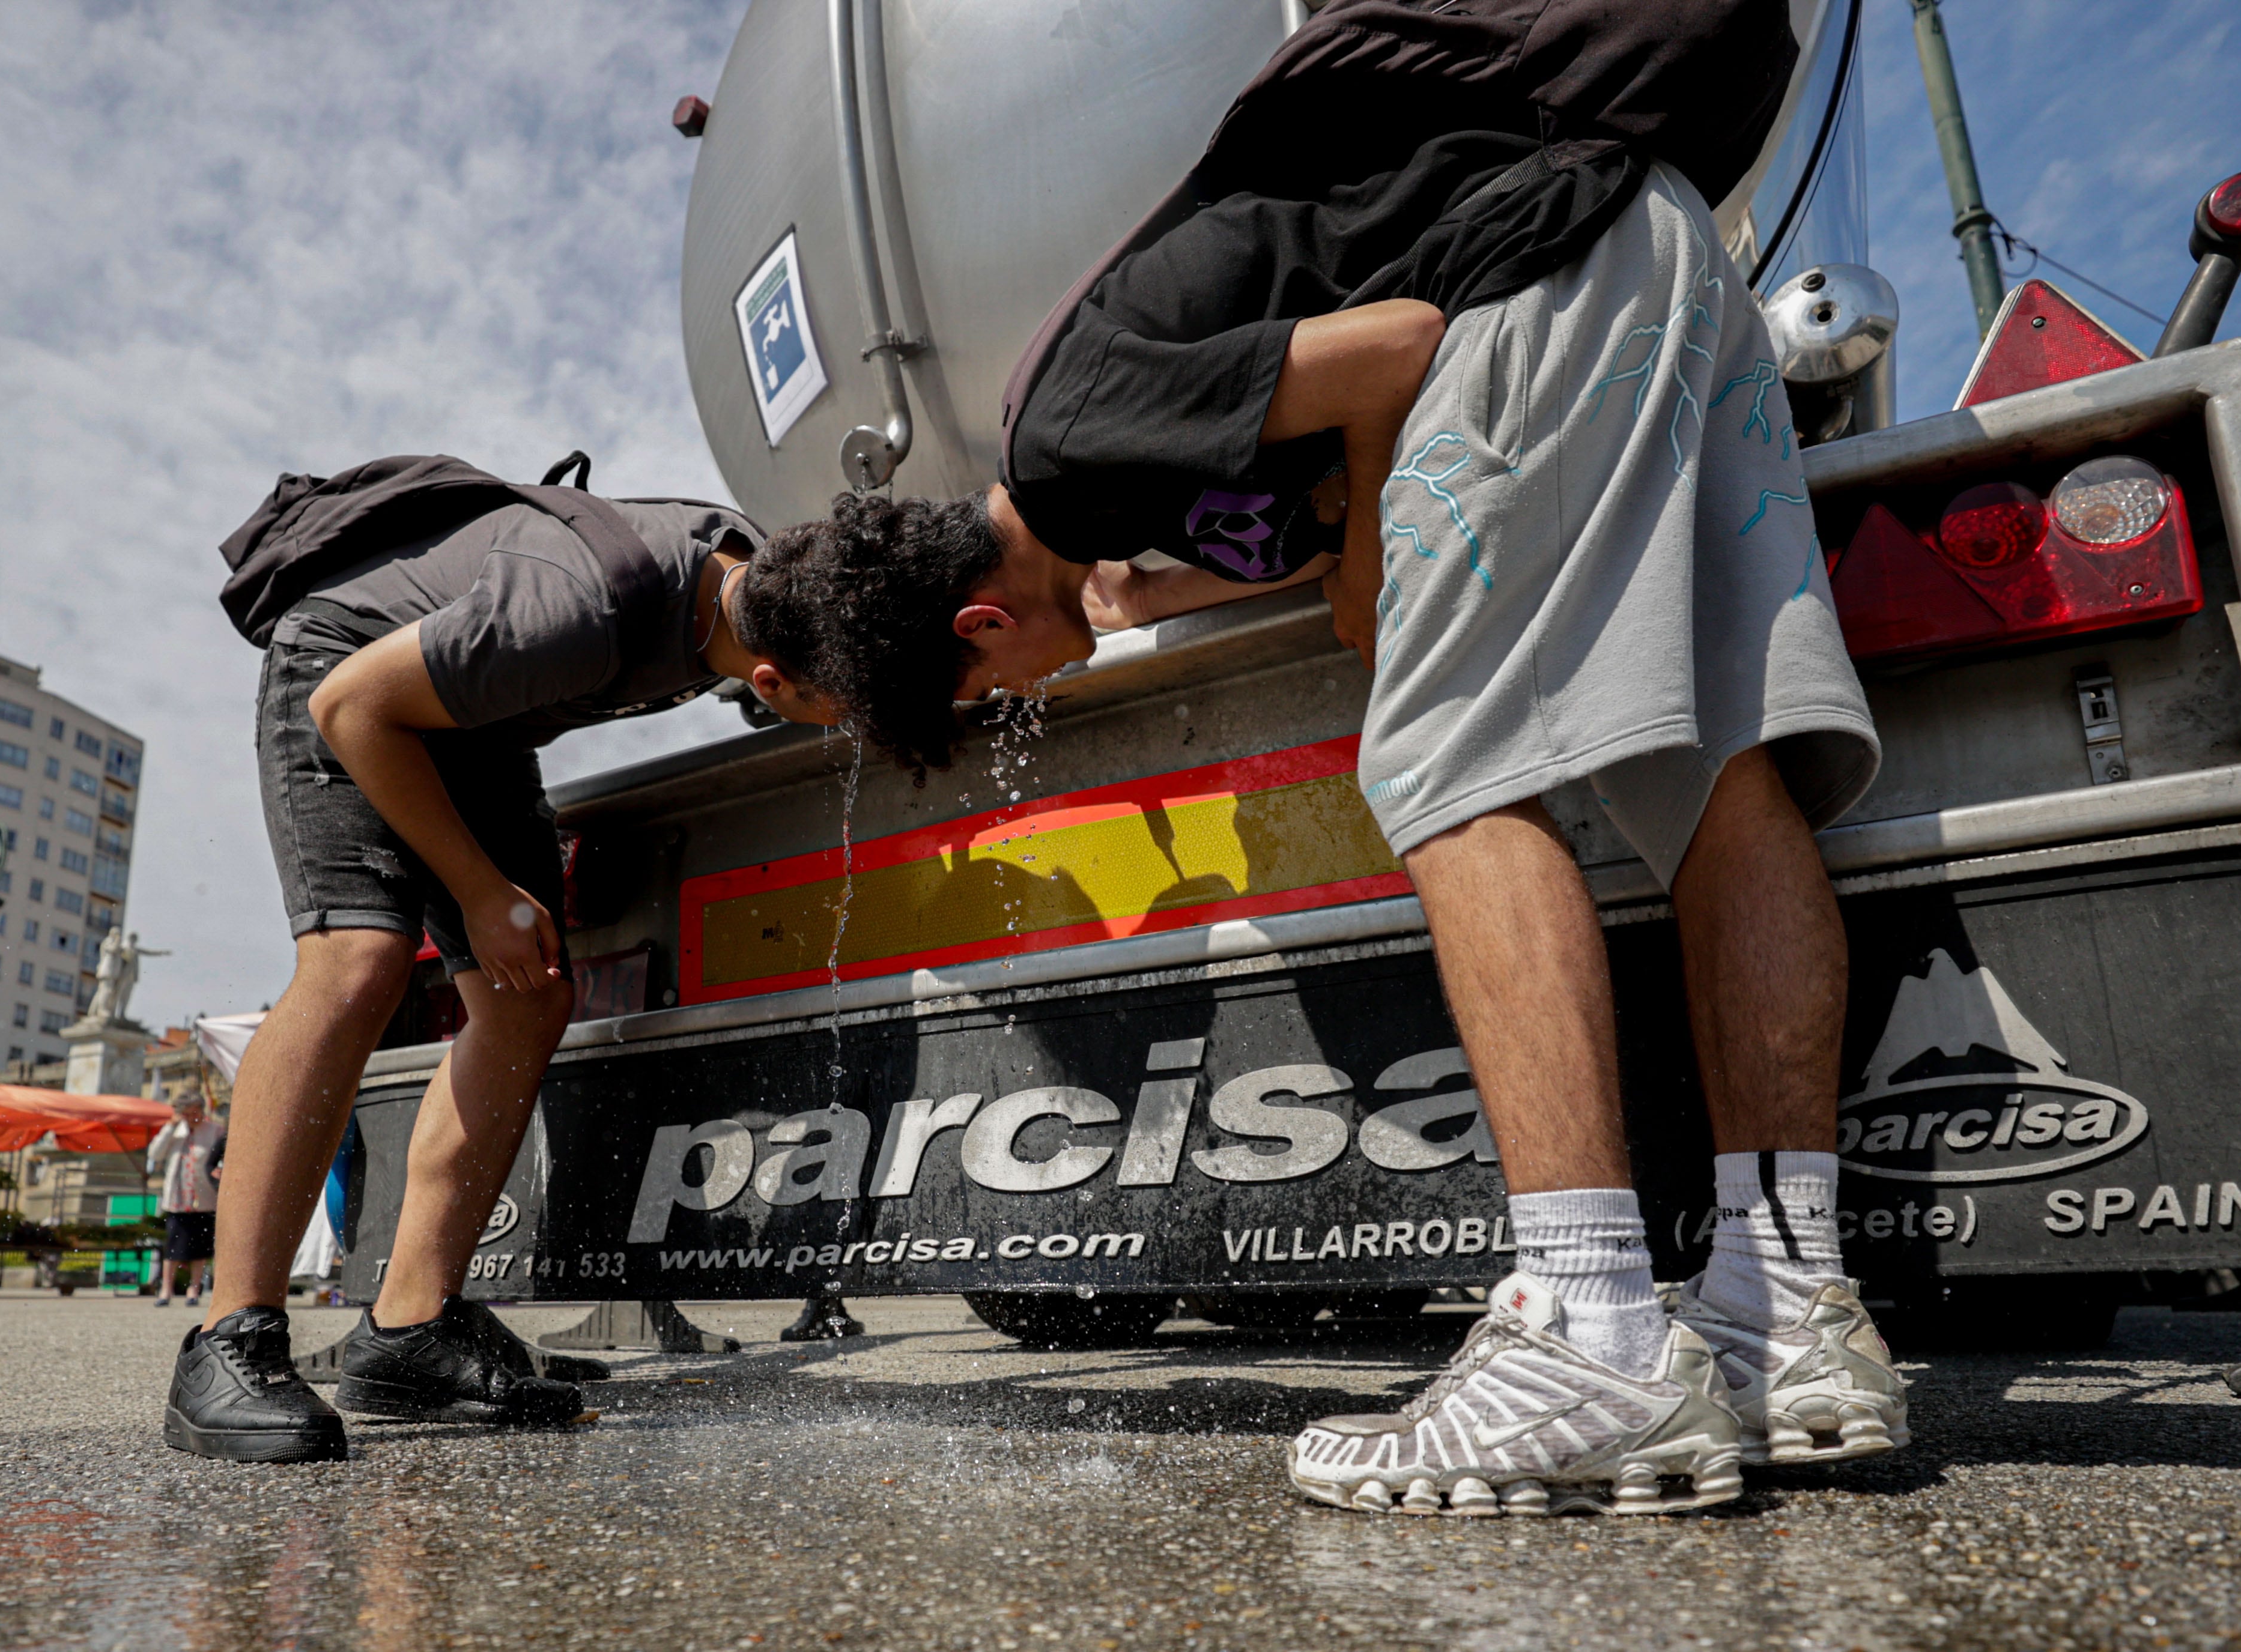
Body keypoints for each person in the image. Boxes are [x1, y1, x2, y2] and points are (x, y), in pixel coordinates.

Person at [746, 0, 1906, 1516]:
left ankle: (1592, 1331)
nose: (1024, 701)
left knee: (1448, 772)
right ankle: (1784, 1312)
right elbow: (1307, 463)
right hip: (1652, 244)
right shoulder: (1108, 484)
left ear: (976, 617)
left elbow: (1397, 352)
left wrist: (1366, 536)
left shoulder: (1061, 440)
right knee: (1716, 774)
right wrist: (1190, 580)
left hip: (1521, 281)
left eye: (989, 693)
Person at [166, 471, 832, 1463]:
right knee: (360, 959)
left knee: (528, 998)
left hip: (470, 716)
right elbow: (355, 711)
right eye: (846, 711)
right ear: (774, 684)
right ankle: (230, 1338)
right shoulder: (589, 604)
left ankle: (409, 1332)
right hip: (348, 674)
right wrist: (479, 892)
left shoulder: (770, 583)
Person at [145, 1091, 223, 1309]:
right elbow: (155, 1154)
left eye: (195, 1113)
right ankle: (166, 1289)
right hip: (177, 1199)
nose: (191, 1118)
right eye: (186, 1114)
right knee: (173, 1246)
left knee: (200, 1247)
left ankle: (194, 1289)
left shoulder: (214, 1130)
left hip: (204, 1198)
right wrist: (170, 1128)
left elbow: (220, 1157)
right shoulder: (173, 1131)